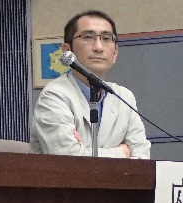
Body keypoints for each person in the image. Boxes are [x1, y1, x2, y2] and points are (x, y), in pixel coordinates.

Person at [30, 10, 151, 159]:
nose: (98, 47)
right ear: (67, 50)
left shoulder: (124, 96)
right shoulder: (54, 96)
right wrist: (123, 152)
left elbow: (142, 158)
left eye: (106, 38)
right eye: (88, 37)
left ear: (115, 53)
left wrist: (84, 151)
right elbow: (69, 161)